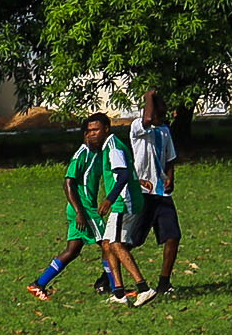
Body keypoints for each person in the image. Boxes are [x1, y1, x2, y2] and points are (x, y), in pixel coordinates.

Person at [27, 114, 148, 303]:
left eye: (95, 131)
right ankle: (115, 290)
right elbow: (68, 183)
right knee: (108, 244)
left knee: (73, 250)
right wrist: (79, 212)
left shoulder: (101, 152)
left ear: (105, 130)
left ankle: (38, 284)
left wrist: (136, 181)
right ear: (84, 135)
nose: (92, 135)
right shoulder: (82, 154)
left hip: (82, 209)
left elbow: (118, 173)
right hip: (84, 210)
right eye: (89, 132)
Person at [122, 85, 183, 294]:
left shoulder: (164, 131)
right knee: (132, 240)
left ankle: (164, 282)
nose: (162, 117)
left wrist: (170, 178)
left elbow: (170, 159)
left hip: (161, 194)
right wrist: (149, 95)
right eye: (159, 113)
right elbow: (147, 119)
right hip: (142, 194)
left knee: (173, 236)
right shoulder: (138, 127)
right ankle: (108, 277)